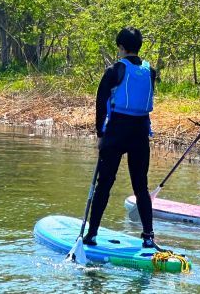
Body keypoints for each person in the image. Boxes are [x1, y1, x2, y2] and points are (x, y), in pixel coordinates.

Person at [83, 26, 157, 248]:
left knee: (104, 184)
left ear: (121, 48)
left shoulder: (114, 70)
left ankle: (92, 234)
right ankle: (148, 236)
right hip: (140, 133)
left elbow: (100, 104)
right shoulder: (151, 71)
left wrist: (99, 134)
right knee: (141, 187)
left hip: (117, 131)